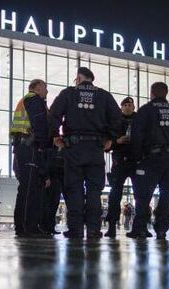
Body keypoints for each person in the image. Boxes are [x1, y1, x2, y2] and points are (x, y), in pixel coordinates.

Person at [49, 67, 122, 239]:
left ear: (79, 77)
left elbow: (53, 114)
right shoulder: (104, 95)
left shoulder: (69, 93)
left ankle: (75, 229)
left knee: (74, 188)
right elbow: (117, 118)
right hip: (96, 149)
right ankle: (93, 229)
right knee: (94, 191)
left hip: (73, 148)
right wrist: (110, 138)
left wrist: (55, 135)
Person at [127, 82, 169, 239]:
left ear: (152, 93)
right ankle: (161, 229)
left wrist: (137, 158)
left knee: (144, 194)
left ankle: (140, 228)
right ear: (166, 93)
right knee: (166, 194)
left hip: (151, 158)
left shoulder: (146, 110)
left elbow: (137, 136)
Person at [11, 79, 51, 238]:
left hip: (24, 146)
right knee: (29, 189)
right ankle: (28, 228)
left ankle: (26, 226)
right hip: (29, 146)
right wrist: (42, 145)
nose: (46, 91)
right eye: (45, 87)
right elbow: (40, 124)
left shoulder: (27, 101)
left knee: (28, 188)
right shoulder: (34, 100)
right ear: (37, 87)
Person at [105, 97, 137, 238]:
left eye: (130, 105)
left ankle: (140, 226)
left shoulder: (139, 120)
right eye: (126, 105)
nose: (128, 107)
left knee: (141, 195)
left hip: (136, 161)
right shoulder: (115, 120)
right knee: (115, 194)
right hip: (120, 161)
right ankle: (112, 225)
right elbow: (106, 142)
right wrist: (116, 141)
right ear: (121, 107)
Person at [40, 146, 65, 234]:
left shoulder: (61, 151)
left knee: (54, 204)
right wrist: (46, 177)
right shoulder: (49, 150)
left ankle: (50, 227)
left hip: (57, 180)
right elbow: (45, 164)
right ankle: (45, 227)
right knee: (48, 204)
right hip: (50, 180)